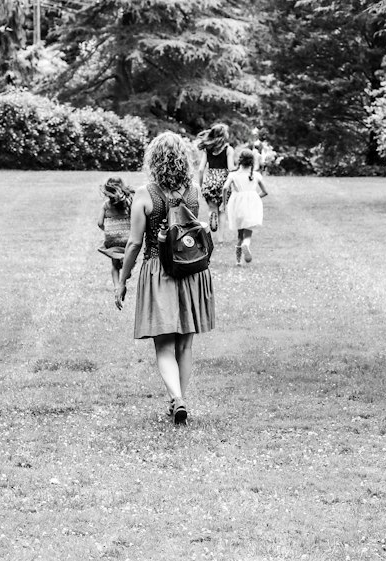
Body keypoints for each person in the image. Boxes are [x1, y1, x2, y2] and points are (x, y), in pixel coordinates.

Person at [115, 132, 215, 425]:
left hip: (159, 272)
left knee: (164, 346)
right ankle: (178, 400)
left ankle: (178, 399)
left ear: (153, 160)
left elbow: (134, 243)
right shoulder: (193, 191)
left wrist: (123, 280)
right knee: (185, 345)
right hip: (191, 272)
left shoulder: (145, 194)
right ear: (183, 159)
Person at [223, 149, 268, 265]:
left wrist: (224, 203)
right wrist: (255, 198)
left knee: (239, 233)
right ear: (252, 162)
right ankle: (246, 243)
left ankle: (238, 261)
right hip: (251, 204)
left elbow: (224, 188)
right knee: (248, 229)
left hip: (237, 204)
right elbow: (265, 192)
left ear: (240, 161)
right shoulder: (256, 175)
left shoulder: (233, 175)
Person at [97, 176, 135, 296]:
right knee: (129, 260)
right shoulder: (128, 204)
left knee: (114, 265)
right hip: (126, 238)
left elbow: (100, 223)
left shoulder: (106, 205)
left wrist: (107, 229)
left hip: (112, 239)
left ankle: (116, 287)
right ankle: (126, 268)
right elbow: (134, 220)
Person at [196, 123, 235, 232]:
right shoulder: (228, 149)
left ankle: (212, 215)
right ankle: (221, 238)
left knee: (212, 207)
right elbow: (231, 168)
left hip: (210, 181)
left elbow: (200, 169)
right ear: (224, 135)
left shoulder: (207, 149)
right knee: (222, 210)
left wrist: (201, 185)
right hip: (223, 181)